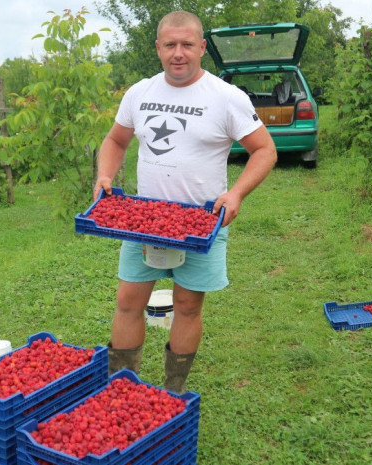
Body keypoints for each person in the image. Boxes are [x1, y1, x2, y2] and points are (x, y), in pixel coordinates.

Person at [93, 10, 277, 394]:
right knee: (128, 300)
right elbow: (115, 141)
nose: (179, 53)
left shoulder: (227, 98)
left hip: (201, 221)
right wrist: (105, 176)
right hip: (144, 220)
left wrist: (236, 193)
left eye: (187, 45)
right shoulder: (140, 92)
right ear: (158, 48)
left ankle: (172, 391)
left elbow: (264, 150)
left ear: (202, 48)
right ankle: (122, 388)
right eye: (171, 45)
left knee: (188, 305)